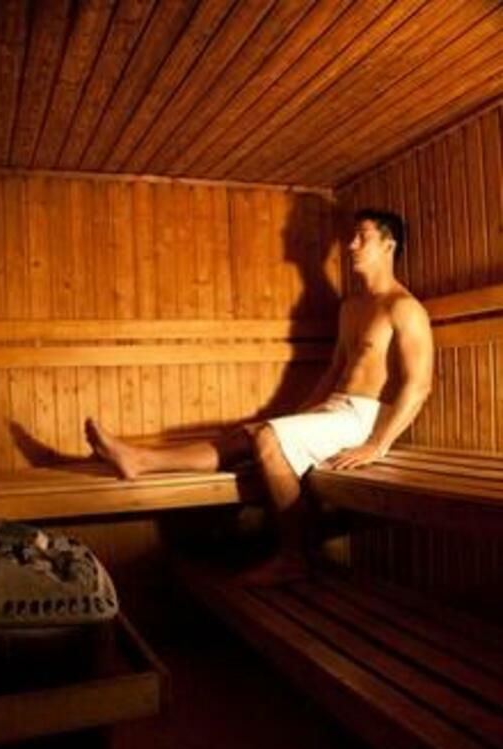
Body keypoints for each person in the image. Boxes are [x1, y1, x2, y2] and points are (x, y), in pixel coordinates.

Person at [85, 209, 434, 583]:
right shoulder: (351, 307)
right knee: (249, 435)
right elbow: (334, 372)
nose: (351, 245)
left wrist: (378, 444)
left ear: (388, 245)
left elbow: (419, 385)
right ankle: (139, 461)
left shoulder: (404, 308)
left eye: (362, 236)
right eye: (352, 237)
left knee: (268, 440)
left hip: (365, 420)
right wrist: (301, 415)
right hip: (335, 411)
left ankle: (295, 558)